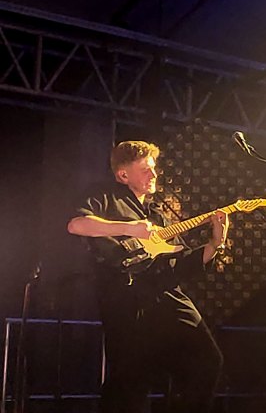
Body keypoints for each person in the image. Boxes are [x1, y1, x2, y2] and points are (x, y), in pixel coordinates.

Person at [67, 140, 228, 413]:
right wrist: (130, 228)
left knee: (207, 361)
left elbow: (180, 264)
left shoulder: (158, 217)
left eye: (153, 168)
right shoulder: (105, 196)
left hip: (165, 294)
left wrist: (215, 244)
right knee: (130, 379)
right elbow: (76, 225)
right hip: (126, 296)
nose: (154, 174)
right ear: (123, 174)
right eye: (145, 169)